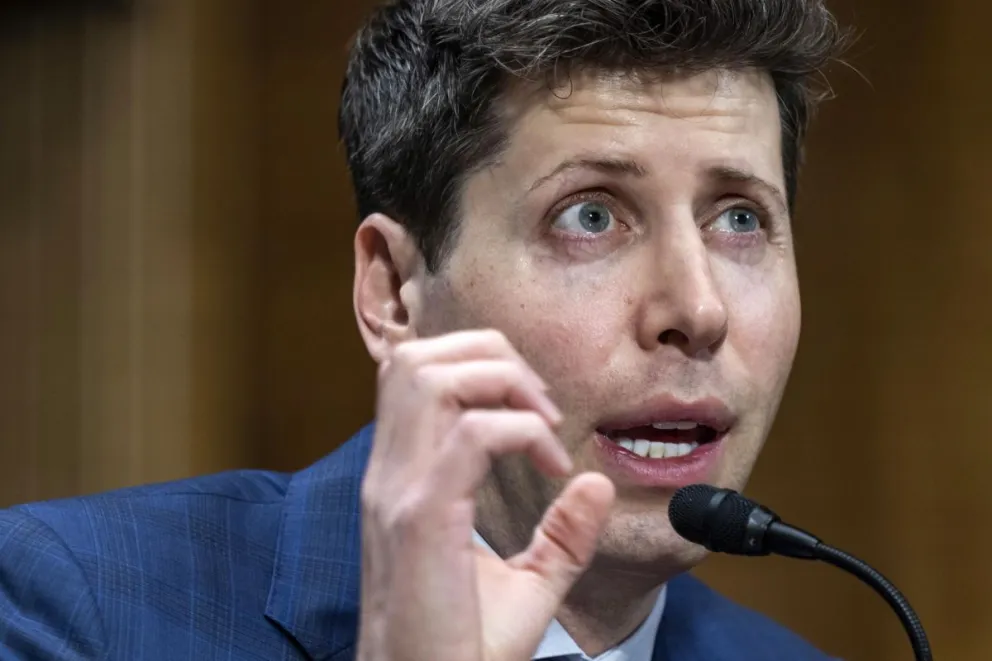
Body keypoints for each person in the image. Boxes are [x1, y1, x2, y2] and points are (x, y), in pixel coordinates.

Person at [0, 1, 852, 659]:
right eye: (591, 215)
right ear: (394, 295)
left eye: (739, 220)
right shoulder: (78, 605)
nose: (697, 311)